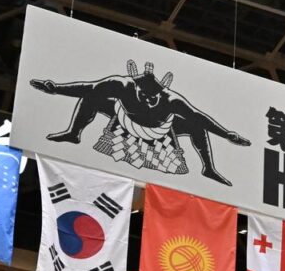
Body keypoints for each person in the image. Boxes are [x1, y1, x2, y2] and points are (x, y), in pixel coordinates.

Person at [30, 60, 251, 186]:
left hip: (161, 129)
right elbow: (90, 87)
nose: (148, 100)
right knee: (91, 97)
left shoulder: (172, 100)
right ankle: (73, 133)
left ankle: (209, 168)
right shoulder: (121, 85)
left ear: (161, 93)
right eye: (143, 95)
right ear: (135, 87)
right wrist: (55, 88)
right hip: (124, 118)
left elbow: (197, 115)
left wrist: (227, 134)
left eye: (153, 97)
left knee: (197, 126)